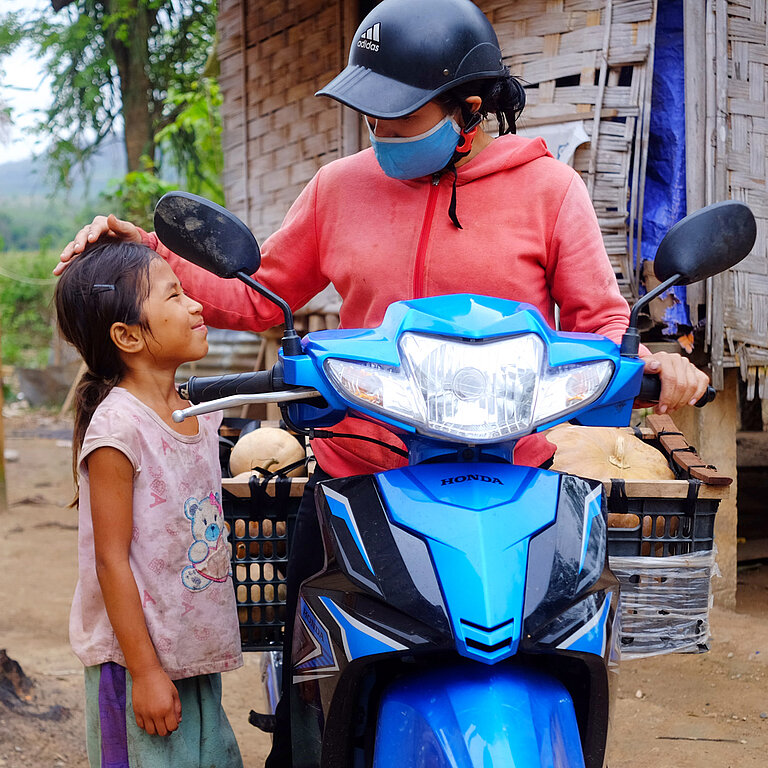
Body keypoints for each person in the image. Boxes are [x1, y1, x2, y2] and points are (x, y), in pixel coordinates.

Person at [56, 1, 709, 763]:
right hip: (358, 476)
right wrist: (149, 252)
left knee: (554, 649)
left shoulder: (548, 192)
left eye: (398, 116)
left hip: (507, 472)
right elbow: (259, 292)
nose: (379, 133)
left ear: (469, 109)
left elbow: (600, 323)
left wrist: (648, 365)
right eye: (370, 115)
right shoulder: (340, 188)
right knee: (307, 719)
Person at [55, 240, 244, 767]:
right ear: (129, 336)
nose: (196, 305)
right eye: (175, 296)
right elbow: (110, 560)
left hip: (191, 648)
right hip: (137, 659)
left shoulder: (197, 411)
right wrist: (145, 673)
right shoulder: (118, 430)